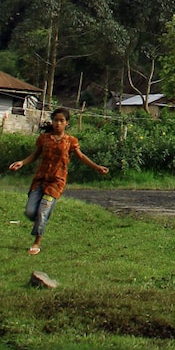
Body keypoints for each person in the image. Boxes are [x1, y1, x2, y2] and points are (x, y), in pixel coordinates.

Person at [8, 106, 109, 254]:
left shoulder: (70, 141)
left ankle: (36, 243)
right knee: (30, 212)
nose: (58, 124)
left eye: (61, 121)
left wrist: (96, 167)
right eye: (56, 120)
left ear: (67, 123)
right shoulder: (43, 139)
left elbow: (81, 156)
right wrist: (22, 162)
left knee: (43, 212)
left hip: (56, 181)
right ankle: (40, 221)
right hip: (40, 179)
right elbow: (34, 155)